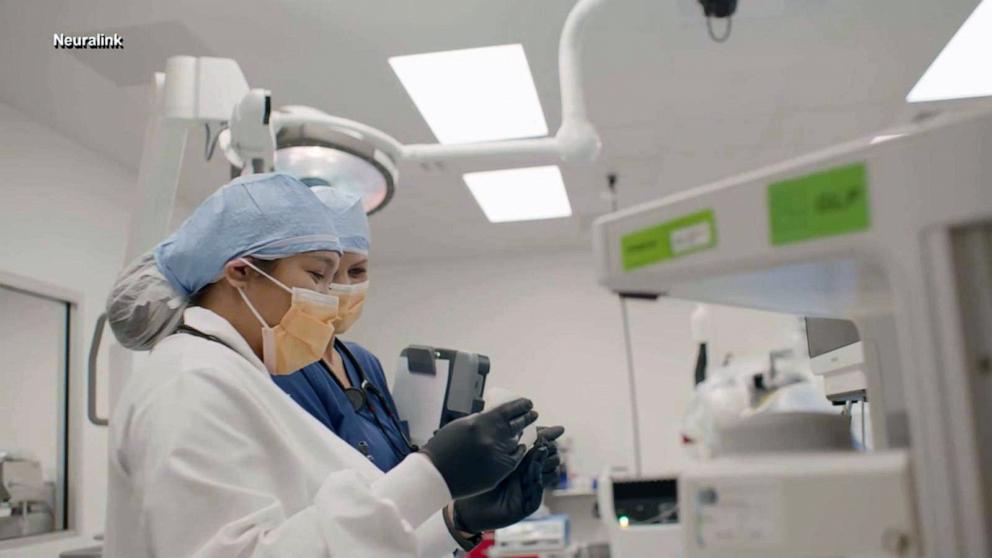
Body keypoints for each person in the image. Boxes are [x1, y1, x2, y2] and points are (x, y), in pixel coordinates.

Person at [104, 173, 542, 557]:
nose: (330, 298)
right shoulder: (190, 381)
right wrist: (432, 475)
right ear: (239, 272)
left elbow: (338, 542)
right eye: (317, 275)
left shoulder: (237, 374)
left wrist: (455, 520)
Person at [269, 187, 565, 537]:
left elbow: (396, 488)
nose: (343, 287)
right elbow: (329, 518)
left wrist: (463, 512)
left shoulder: (364, 364)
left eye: (357, 271)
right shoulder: (279, 367)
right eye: (325, 273)